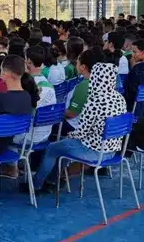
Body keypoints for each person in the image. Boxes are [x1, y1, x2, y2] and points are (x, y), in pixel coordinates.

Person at [29, 62, 127, 193]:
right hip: (112, 150)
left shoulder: (94, 100)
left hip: (93, 150)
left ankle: (36, 186)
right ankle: (52, 181)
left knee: (53, 148)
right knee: (63, 147)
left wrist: (70, 136)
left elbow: (82, 132)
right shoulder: (120, 98)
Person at [64, 47, 106, 133]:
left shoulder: (84, 85)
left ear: (83, 67)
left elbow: (72, 114)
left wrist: (56, 113)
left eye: (77, 62)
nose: (76, 64)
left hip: (74, 126)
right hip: (91, 127)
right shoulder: (102, 80)